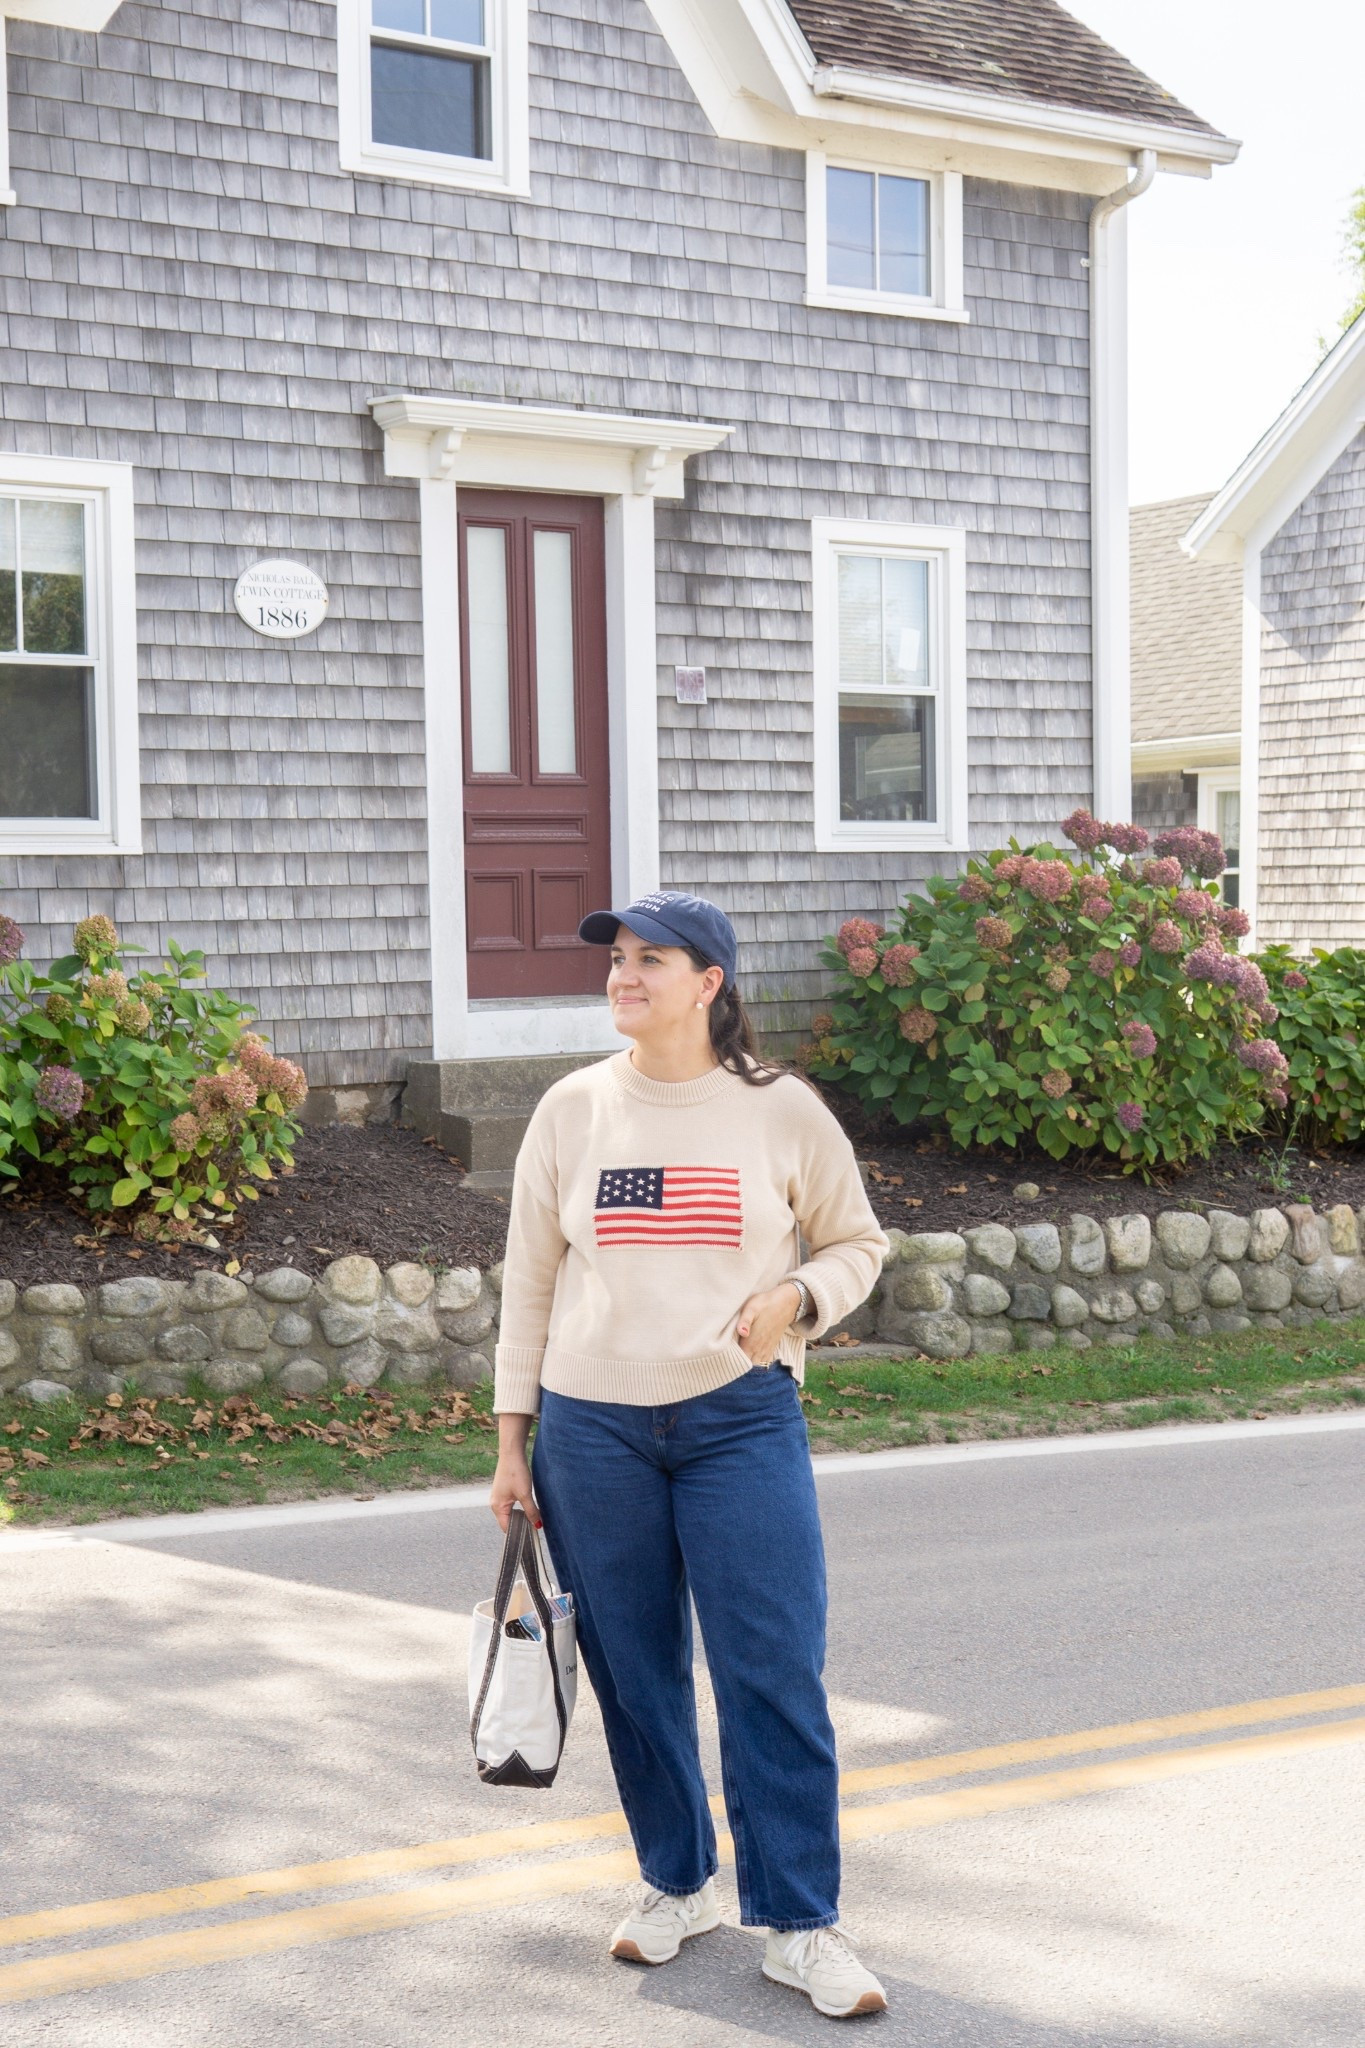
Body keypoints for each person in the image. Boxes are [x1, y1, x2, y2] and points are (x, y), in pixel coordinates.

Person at [489, 891, 890, 2020]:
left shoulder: (782, 1110)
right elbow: (527, 1283)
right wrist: (511, 1442)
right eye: (617, 958)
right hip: (590, 1425)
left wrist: (800, 1295)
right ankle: (676, 1879)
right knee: (633, 1670)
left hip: (738, 1417)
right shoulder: (571, 1109)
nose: (624, 974)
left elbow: (860, 1241)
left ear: (709, 980)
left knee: (772, 1667)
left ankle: (803, 1919)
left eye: (649, 958)